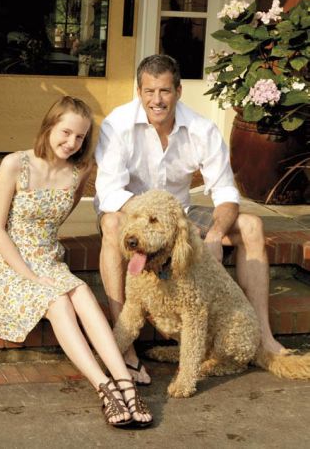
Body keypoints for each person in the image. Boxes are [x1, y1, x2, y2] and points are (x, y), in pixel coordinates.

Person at [95, 54, 288, 386]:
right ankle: (125, 344)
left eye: (165, 91)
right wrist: (148, 223)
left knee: (252, 226)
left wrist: (214, 234)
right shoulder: (117, 124)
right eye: (150, 91)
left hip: (178, 217)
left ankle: (265, 337)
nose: (157, 100)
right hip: (129, 211)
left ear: (179, 91)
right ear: (139, 91)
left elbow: (226, 191)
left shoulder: (201, 127)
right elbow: (110, 191)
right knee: (113, 225)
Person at [0, 96, 152, 428]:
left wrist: (44, 262)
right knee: (57, 300)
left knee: (82, 291)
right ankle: (105, 389)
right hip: (10, 260)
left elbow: (59, 215)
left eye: (80, 137)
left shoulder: (78, 171)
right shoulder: (15, 164)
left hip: (48, 257)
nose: (72, 143)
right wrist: (30, 275)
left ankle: (126, 386)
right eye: (66, 132)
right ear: (49, 125)